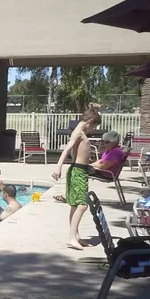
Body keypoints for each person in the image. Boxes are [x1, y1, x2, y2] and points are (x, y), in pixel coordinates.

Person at [52, 107, 102, 250]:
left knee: (75, 205)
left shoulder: (80, 133)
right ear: (90, 121)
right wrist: (58, 167)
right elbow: (67, 149)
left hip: (80, 171)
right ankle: (71, 237)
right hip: (78, 172)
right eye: (94, 126)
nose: (93, 130)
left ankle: (76, 236)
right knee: (82, 205)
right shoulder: (78, 133)